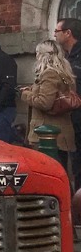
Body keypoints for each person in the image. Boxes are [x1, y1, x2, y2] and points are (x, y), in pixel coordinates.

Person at [20, 39, 76, 174]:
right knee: (60, 172)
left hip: (47, 134)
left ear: (43, 55)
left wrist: (25, 94)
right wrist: (33, 89)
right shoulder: (64, 72)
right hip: (61, 132)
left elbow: (45, 103)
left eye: (37, 53)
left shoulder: (49, 73)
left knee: (50, 174)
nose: (36, 56)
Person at [54, 18, 81, 187]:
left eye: (57, 31)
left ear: (68, 33)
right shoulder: (67, 57)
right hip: (73, 118)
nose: (54, 34)